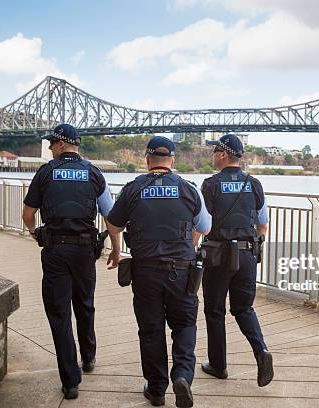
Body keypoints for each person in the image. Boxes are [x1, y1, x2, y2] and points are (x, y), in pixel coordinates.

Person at [106, 136, 211, 408]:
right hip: (183, 272)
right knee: (185, 325)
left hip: (146, 273)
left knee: (151, 331)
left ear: (147, 160)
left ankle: (156, 390)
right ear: (172, 161)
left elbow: (114, 226)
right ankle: (183, 376)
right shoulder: (189, 189)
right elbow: (206, 226)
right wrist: (190, 242)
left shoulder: (132, 189)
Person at [21, 124, 120, 400]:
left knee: (59, 313)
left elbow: (28, 214)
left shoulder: (46, 172)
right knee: (85, 303)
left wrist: (35, 233)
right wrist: (115, 247)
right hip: (86, 252)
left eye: (52, 143)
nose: (50, 148)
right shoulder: (93, 173)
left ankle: (70, 380)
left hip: (55, 251)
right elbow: (110, 215)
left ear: (63, 144)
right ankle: (88, 356)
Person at [196, 133, 274, 387]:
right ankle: (261, 351)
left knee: (214, 310)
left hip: (217, 256)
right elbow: (263, 225)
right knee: (243, 308)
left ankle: (218, 365)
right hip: (247, 253)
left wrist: (190, 246)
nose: (212, 156)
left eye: (214, 152)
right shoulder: (254, 184)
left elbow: (203, 225)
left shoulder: (209, 185)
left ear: (222, 154)